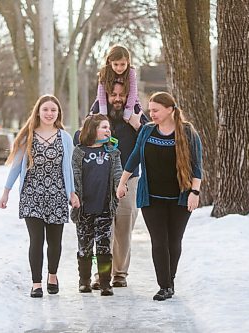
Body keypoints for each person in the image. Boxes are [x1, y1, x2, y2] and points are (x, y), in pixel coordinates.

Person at [116, 91, 202, 301]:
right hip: (151, 198)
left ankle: (169, 281)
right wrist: (122, 182)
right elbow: (135, 157)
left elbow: (197, 166)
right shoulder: (147, 131)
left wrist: (195, 192)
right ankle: (164, 286)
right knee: (158, 241)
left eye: (155, 110)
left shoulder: (188, 132)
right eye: (150, 110)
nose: (151, 114)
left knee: (174, 241)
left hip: (180, 198)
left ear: (170, 109)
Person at [0, 94, 80, 298]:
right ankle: (36, 283)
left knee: (55, 241)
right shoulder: (28, 136)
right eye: (45, 109)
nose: (49, 113)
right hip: (31, 194)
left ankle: (52, 276)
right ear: (38, 112)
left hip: (57, 194)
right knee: (36, 239)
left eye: (53, 110)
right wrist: (6, 192)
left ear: (58, 113)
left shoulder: (65, 138)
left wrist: (72, 192)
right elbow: (16, 166)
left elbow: (68, 169)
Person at [76, 80, 149, 289]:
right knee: (103, 229)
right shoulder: (97, 114)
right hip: (100, 181)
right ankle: (102, 275)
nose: (117, 99)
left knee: (123, 228)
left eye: (121, 95)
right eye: (113, 95)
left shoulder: (135, 114)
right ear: (106, 96)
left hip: (129, 178)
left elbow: (149, 139)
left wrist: (137, 124)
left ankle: (119, 274)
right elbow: (79, 140)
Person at [71, 114, 122, 296]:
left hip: (105, 207)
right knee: (85, 246)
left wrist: (119, 186)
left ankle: (105, 282)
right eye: (104, 127)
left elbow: (118, 173)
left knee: (104, 246)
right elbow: (73, 175)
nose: (108, 130)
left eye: (108, 128)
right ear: (92, 129)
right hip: (84, 208)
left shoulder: (112, 151)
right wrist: (74, 195)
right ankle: (84, 281)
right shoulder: (79, 152)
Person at [95, 44, 142, 122]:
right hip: (106, 100)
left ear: (128, 61)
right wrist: (103, 113)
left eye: (122, 64)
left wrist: (128, 113)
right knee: (94, 114)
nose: (119, 68)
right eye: (116, 64)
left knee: (140, 116)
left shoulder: (131, 72)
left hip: (129, 100)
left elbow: (133, 92)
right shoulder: (105, 72)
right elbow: (101, 93)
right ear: (110, 62)